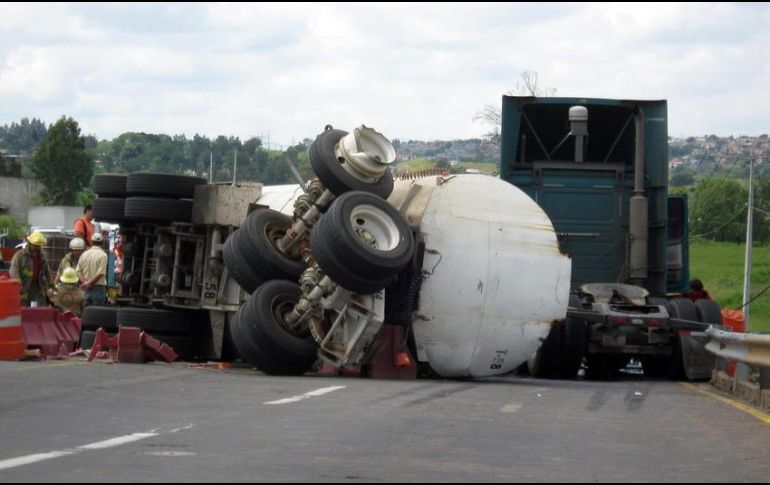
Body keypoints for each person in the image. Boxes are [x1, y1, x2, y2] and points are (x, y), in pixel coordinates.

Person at [9, 230, 54, 307]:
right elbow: (13, 271)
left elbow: (47, 271)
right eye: (35, 245)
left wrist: (51, 284)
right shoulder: (19, 256)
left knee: (40, 309)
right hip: (23, 286)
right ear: (30, 243)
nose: (37, 248)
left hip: (37, 288)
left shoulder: (42, 257)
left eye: (39, 246)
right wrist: (19, 284)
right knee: (23, 309)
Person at [76, 233, 108, 307]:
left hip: (86, 290)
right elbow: (101, 273)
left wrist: (85, 283)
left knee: (87, 315)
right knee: (97, 315)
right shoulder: (103, 255)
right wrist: (89, 283)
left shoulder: (84, 254)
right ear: (102, 243)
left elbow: (78, 271)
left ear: (91, 242)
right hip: (98, 289)